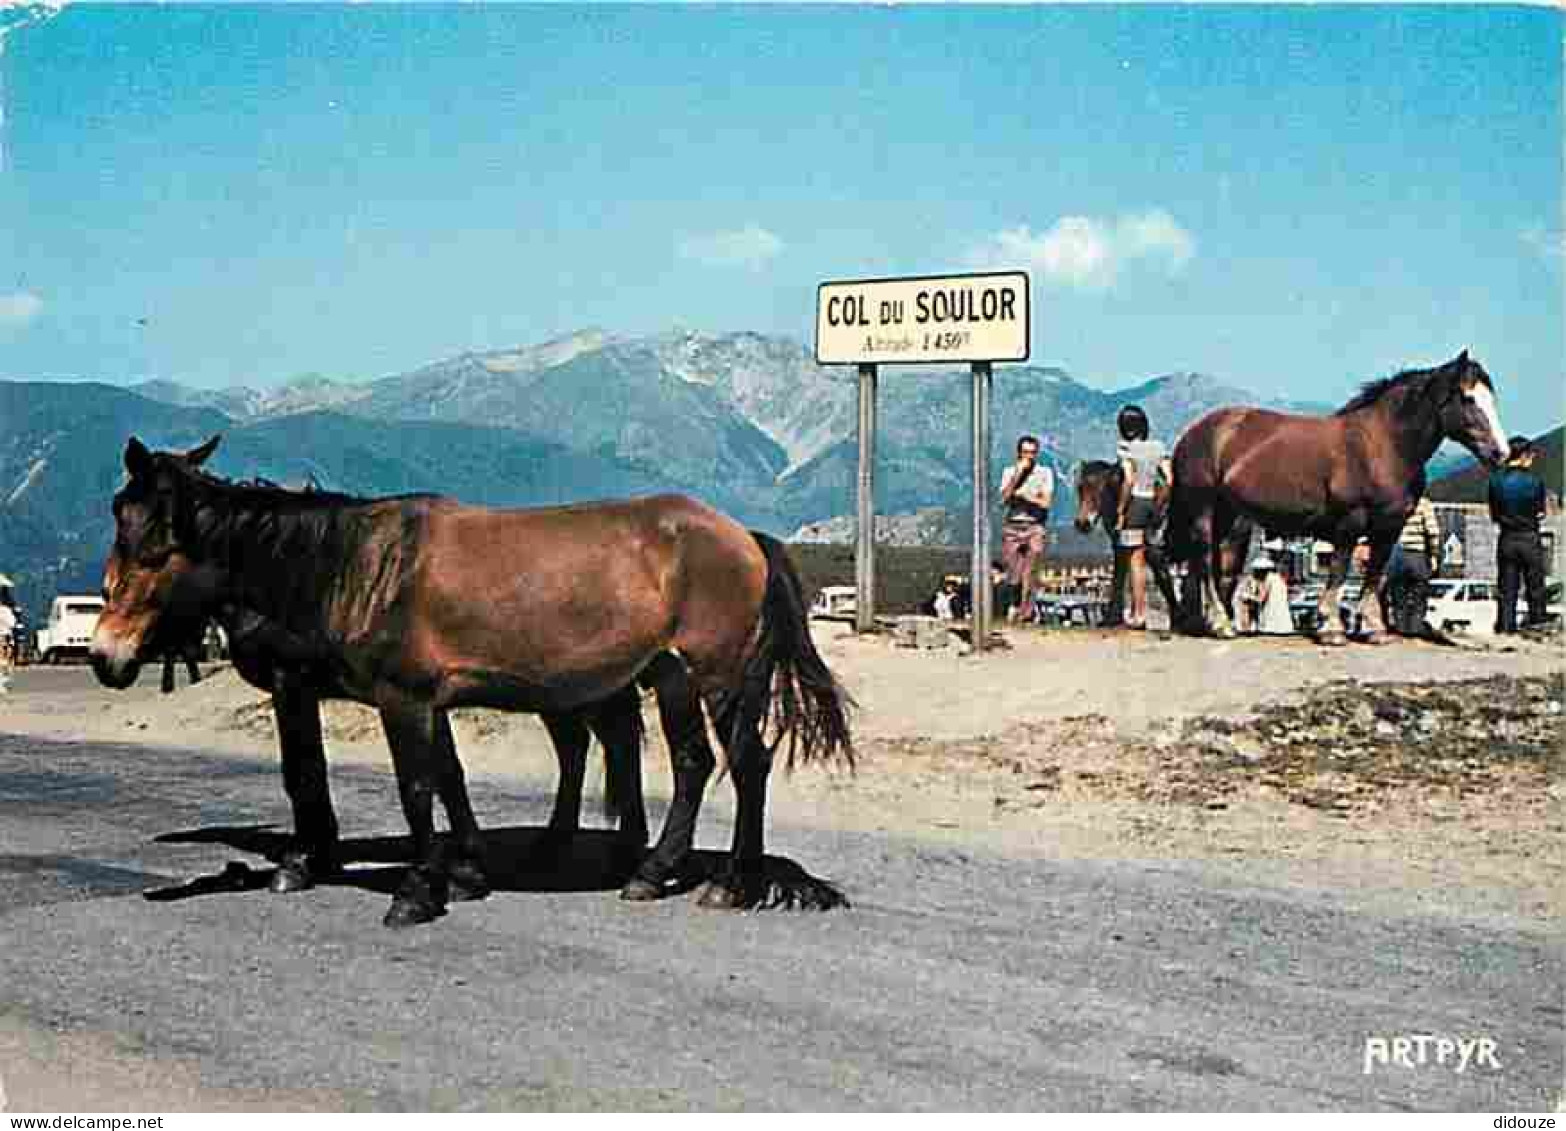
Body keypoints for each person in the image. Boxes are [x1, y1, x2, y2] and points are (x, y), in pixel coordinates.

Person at [1115, 405, 1172, 630]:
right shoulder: (1158, 447)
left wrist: (1121, 511)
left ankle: (1139, 613)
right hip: (1152, 501)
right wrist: (1159, 506)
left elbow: (1128, 481)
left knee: (1135, 561)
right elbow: (1168, 480)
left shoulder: (1125, 449)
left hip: (1135, 503)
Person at [1488, 436, 1549, 633]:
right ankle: (1537, 625)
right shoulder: (1535, 482)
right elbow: (1541, 513)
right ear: (1524, 456)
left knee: (1507, 588)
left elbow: (1494, 514)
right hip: (1529, 537)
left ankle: (1506, 627)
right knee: (1535, 587)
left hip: (1507, 538)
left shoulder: (1495, 482)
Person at [997, 435, 1053, 624]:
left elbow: (1045, 502)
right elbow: (1004, 499)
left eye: (1032, 453)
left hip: (1035, 525)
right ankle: (1014, 604)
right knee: (1014, 572)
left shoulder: (1044, 473)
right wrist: (1017, 478)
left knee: (1031, 568)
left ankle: (1026, 612)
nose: (1028, 457)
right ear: (1018, 453)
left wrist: (1024, 497)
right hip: (1013, 525)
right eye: (1025, 452)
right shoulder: (1008, 472)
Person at [1386, 494, 1440, 636]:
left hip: (1396, 553)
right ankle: (1415, 629)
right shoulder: (1423, 503)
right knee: (1419, 595)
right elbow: (1433, 531)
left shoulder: (1392, 501)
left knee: (1399, 595)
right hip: (1417, 554)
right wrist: (1434, 555)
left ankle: (1401, 628)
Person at [1248, 554, 1294, 635]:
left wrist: (1248, 596)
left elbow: (1261, 598)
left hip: (1272, 623)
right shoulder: (1278, 578)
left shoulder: (1268, 580)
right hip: (1284, 623)